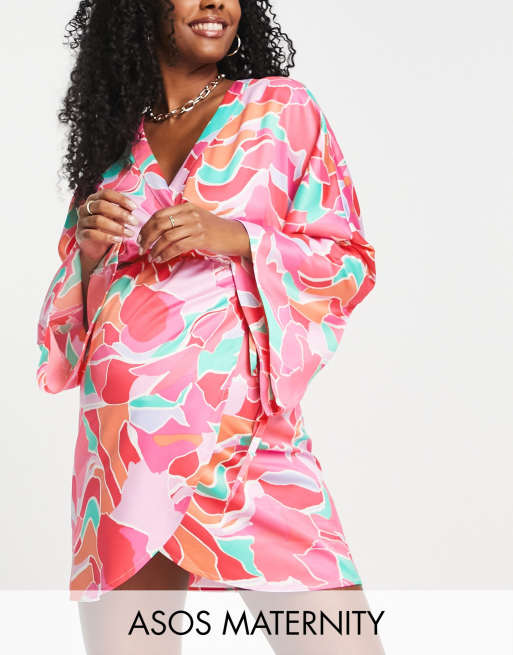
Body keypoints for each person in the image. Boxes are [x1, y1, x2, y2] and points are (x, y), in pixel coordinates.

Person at [36, 0, 384, 652]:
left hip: (248, 448)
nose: (216, 2)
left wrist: (237, 236)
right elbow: (66, 343)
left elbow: (347, 261)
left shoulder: (281, 109)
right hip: (127, 456)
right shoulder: (113, 147)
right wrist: (87, 255)